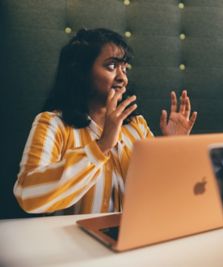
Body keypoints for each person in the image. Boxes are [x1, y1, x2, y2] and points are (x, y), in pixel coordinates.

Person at [14, 28, 197, 214]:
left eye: (124, 68)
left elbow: (161, 193)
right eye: (111, 66)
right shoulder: (52, 123)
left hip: (132, 237)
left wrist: (174, 147)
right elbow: (28, 196)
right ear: (81, 71)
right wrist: (101, 146)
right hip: (73, 240)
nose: (122, 78)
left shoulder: (137, 126)